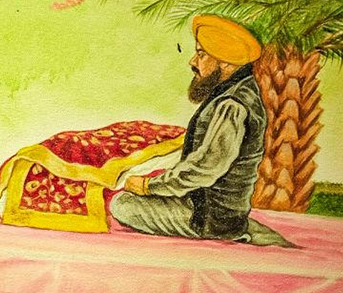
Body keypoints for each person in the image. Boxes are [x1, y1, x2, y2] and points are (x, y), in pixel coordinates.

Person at [109, 15, 269, 243]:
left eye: (201, 54)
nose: (193, 62)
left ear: (226, 62)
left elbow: (206, 167)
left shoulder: (232, 105)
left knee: (122, 203)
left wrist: (148, 186)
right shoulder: (239, 92)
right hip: (214, 212)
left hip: (209, 221)